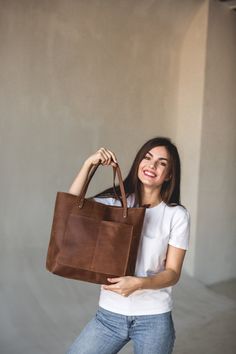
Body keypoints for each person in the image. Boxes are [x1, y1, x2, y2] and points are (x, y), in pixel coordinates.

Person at [66, 137, 190, 354]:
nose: (152, 165)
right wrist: (88, 165)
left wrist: (139, 283)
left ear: (169, 174)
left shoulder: (176, 215)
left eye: (162, 163)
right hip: (108, 316)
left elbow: (173, 273)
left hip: (154, 319)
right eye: (148, 157)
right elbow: (69, 208)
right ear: (139, 162)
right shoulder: (115, 203)